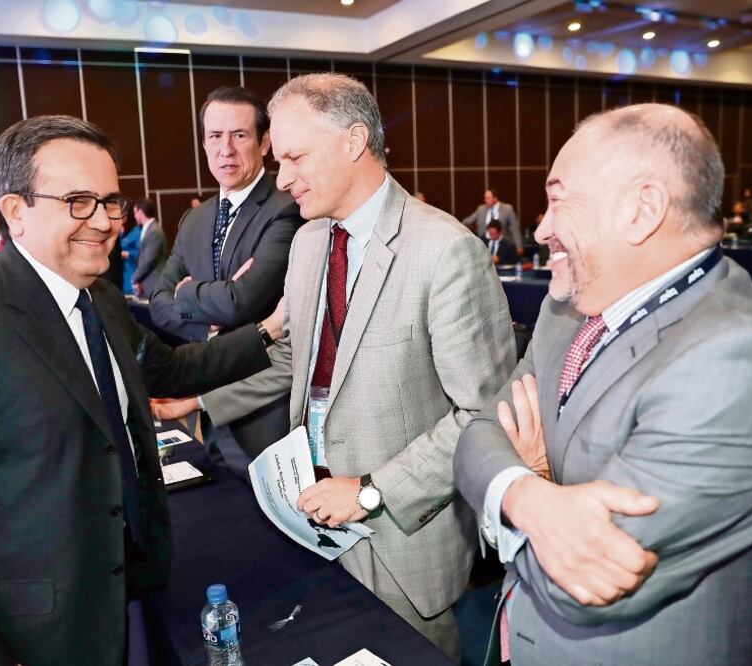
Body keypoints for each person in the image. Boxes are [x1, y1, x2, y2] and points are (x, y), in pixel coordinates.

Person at [0, 115, 283, 665]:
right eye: (79, 201)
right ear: (16, 211)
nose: (105, 221)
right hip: (34, 631)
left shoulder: (101, 297)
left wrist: (268, 331)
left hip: (118, 589)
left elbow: (173, 371)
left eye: (111, 201)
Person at [454, 103, 752, 665]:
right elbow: (481, 430)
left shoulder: (745, 363)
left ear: (642, 209)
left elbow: (577, 586)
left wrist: (517, 484)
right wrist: (527, 495)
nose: (543, 227)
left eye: (558, 199)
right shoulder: (565, 308)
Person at [194, 73, 516, 658]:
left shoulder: (444, 252)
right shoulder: (309, 242)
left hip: (401, 541)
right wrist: (198, 403)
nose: (282, 177)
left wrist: (370, 492)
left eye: (294, 157)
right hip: (312, 525)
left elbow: (482, 413)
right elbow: (301, 361)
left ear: (353, 140)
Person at [149, 86, 304, 466]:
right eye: (215, 137)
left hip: (264, 414)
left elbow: (242, 302)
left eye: (239, 135)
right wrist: (212, 318)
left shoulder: (287, 210)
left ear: (264, 142)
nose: (226, 150)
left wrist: (190, 294)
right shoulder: (195, 219)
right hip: (202, 407)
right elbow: (158, 302)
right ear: (204, 144)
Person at [463, 188, 522, 252]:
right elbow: (467, 221)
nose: (485, 200)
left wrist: (519, 246)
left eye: (487, 198)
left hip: (503, 245)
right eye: (485, 198)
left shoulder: (507, 209)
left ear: (495, 198)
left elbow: (515, 229)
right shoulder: (481, 209)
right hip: (484, 244)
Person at [130, 198, 167, 297]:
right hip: (147, 282)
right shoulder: (148, 229)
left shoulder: (154, 231)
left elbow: (148, 261)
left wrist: (134, 278)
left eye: (135, 212)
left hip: (154, 282)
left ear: (140, 211)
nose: (134, 216)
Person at [119, 212, 142, 295]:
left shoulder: (136, 231)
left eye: (123, 216)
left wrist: (127, 254)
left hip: (131, 268)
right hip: (119, 270)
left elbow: (140, 252)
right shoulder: (119, 231)